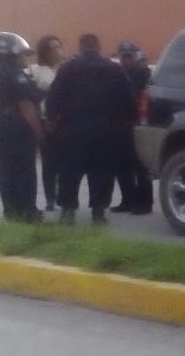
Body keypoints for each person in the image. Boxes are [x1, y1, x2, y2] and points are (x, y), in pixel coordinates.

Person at [46, 34, 137, 226]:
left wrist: (52, 120)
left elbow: (54, 98)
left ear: (81, 48)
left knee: (69, 171)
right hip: (106, 131)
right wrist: (127, 123)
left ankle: (68, 212)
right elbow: (128, 100)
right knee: (102, 173)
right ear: (98, 46)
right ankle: (98, 213)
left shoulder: (68, 69)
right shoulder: (114, 69)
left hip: (73, 130)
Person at [0, 32, 46, 222]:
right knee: (25, 170)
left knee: (5, 170)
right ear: (12, 54)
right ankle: (28, 212)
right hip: (16, 129)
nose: (25, 58)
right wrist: (39, 134)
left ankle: (11, 211)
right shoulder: (14, 74)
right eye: (23, 54)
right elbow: (26, 106)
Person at [112, 40, 153, 215]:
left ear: (135, 57)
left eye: (129, 56)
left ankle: (145, 203)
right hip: (120, 124)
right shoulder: (117, 74)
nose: (126, 60)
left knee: (140, 165)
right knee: (122, 165)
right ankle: (127, 200)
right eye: (123, 56)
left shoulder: (144, 74)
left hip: (138, 124)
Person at [32, 35, 64, 211]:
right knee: (49, 162)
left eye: (59, 46)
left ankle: (64, 197)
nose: (58, 51)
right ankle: (50, 198)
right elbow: (32, 96)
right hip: (45, 120)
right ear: (45, 52)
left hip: (65, 121)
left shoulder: (67, 68)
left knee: (65, 162)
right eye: (53, 48)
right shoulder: (36, 70)